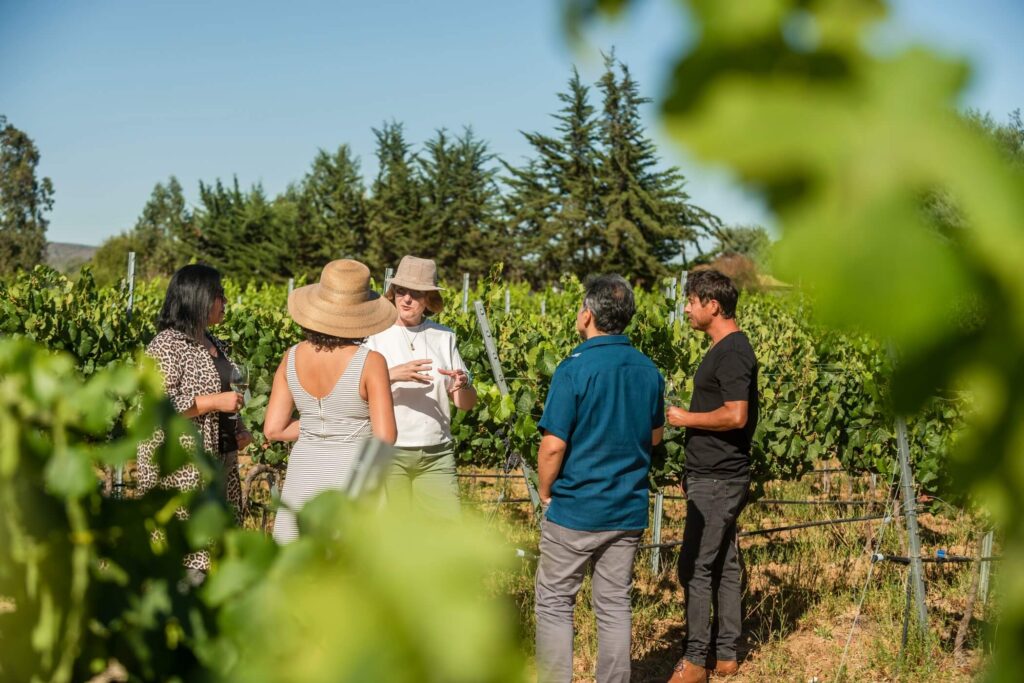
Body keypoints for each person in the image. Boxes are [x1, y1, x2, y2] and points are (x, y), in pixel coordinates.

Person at [534, 274, 665, 683]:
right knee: (613, 605)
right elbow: (655, 436)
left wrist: (545, 492)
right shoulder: (648, 370)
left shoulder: (574, 367)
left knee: (555, 602)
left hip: (576, 509)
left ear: (587, 315)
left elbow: (553, 445)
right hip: (626, 509)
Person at [665, 269, 759, 683]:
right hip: (714, 473)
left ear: (712, 305)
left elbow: (736, 415)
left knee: (695, 567)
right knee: (723, 562)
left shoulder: (733, 351)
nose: (686, 308)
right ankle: (726, 655)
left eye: (691, 301)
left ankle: (696, 662)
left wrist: (686, 419)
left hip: (719, 476)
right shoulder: (725, 348)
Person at [264, 259, 398, 543]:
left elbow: (273, 430)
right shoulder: (371, 362)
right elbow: (386, 436)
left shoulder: (291, 357)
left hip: (304, 472)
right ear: (363, 314)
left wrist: (316, 424)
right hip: (352, 476)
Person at [136, 263, 252, 572]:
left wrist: (239, 428)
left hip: (220, 460)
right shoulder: (166, 345)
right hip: (182, 468)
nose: (225, 302)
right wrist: (214, 401)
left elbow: (228, 394)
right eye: (219, 295)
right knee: (189, 556)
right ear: (198, 298)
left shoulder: (215, 343)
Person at [364, 255, 476, 519]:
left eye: (416, 293)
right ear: (392, 295)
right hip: (390, 451)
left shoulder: (444, 336)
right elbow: (357, 389)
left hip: (437, 452)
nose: (407, 299)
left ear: (428, 299)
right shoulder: (374, 336)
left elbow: (465, 404)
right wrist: (390, 374)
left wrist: (464, 383)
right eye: (401, 291)